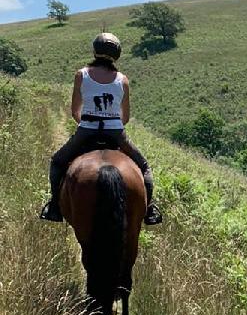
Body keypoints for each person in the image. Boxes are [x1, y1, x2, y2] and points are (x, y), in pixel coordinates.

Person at [40, 32, 162, 225]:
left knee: (57, 162)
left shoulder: (82, 75)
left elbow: (75, 111)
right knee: (144, 166)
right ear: (117, 54)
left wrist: (87, 122)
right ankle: (149, 210)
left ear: (95, 51)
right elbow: (126, 117)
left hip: (87, 128)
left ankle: (55, 207)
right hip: (115, 131)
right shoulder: (123, 80)